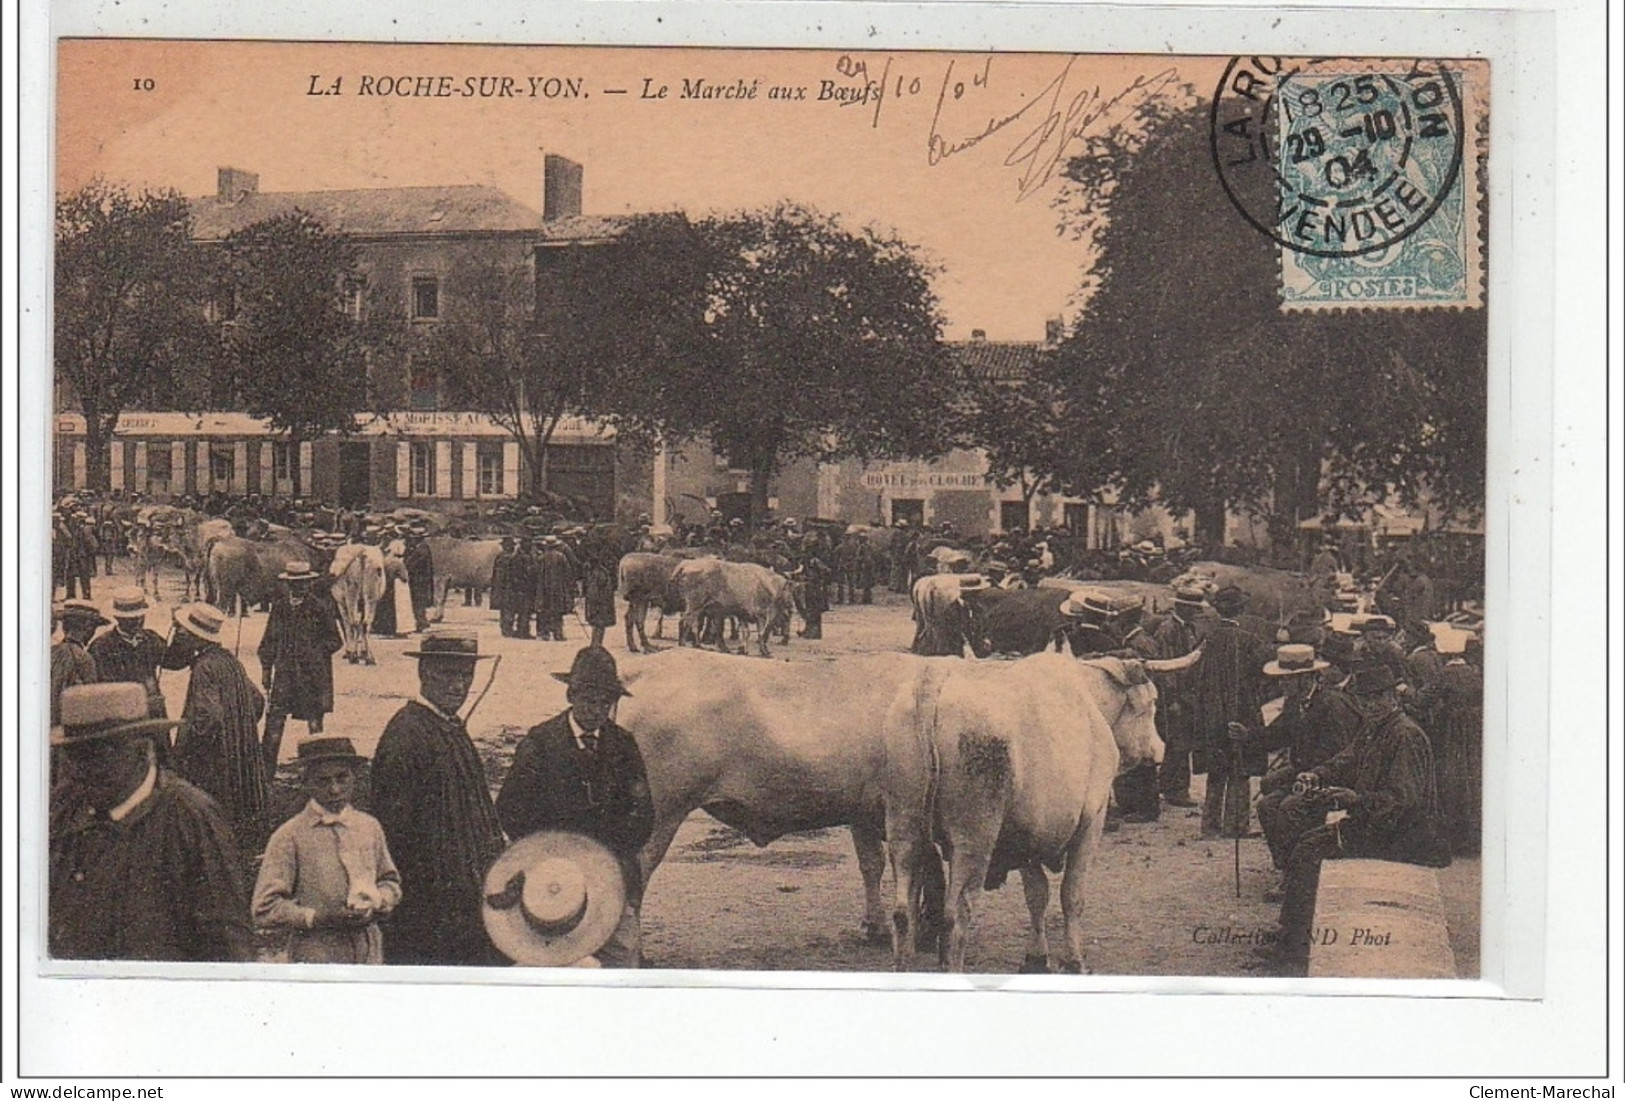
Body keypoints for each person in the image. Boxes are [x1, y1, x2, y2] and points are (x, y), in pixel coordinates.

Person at [1268, 661, 1451, 974]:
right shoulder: (1376, 728)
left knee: (1308, 850)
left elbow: (1401, 803)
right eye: (1365, 700)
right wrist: (1317, 774)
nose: (1369, 706)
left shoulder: (1405, 736)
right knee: (1306, 844)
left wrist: (1353, 799)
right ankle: (1292, 936)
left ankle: (1293, 949)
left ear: (1393, 697)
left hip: (1404, 836)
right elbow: (1345, 760)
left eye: (1376, 698)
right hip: (1380, 825)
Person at [49, 682, 254, 961]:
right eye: (73, 755)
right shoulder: (63, 808)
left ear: (141, 749)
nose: (80, 770)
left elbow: (228, 943)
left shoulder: (191, 817)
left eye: (98, 754)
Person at [495, 646, 654, 968]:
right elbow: (510, 809)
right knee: (556, 959)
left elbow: (642, 815)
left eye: (605, 703)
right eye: (588, 700)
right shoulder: (540, 744)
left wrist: (606, 853)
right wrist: (553, 849)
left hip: (610, 877)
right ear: (571, 696)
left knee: (622, 956)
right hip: (552, 877)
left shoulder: (623, 745)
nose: (596, 711)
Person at [370, 630, 507, 966]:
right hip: (427, 915)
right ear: (423, 673)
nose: (458, 686)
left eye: (465, 676)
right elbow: (393, 836)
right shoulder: (406, 735)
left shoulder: (452, 728)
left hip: (467, 908)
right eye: (447, 674)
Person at [252, 736, 403, 965]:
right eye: (323, 781)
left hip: (368, 950)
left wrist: (378, 902)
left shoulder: (368, 826)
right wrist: (317, 918)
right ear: (306, 783)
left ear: (355, 778)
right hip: (317, 953)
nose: (335, 789)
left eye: (342, 778)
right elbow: (265, 907)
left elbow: (390, 881)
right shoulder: (290, 836)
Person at [1245, 643, 1364, 899]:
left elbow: (1342, 756)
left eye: (1287, 681)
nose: (1282, 686)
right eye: (1282, 681)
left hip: (1334, 778)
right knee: (1266, 806)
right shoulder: (1294, 703)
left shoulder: (1333, 705)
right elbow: (1276, 735)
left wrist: (1312, 775)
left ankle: (1299, 875)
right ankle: (1289, 867)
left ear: (1306, 678)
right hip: (1305, 776)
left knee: (1290, 807)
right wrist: (1246, 737)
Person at [165, 602, 269, 852]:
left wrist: (190, 747)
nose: (179, 636)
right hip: (237, 751)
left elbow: (207, 717)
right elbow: (257, 700)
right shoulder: (230, 660)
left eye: (183, 632)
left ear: (195, 637)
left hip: (214, 756)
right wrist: (239, 727)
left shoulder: (204, 667)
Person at [1191, 585, 1271, 839]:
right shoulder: (1250, 640)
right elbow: (1265, 674)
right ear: (1242, 610)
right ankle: (1236, 826)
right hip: (1243, 711)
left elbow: (1193, 675)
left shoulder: (1206, 639)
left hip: (1211, 714)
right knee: (1240, 770)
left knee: (1216, 770)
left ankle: (1210, 825)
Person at [257, 561, 344, 773]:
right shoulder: (280, 607)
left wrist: (314, 652)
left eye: (305, 583)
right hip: (284, 674)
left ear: (310, 583)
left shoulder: (320, 607)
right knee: (274, 722)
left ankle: (319, 770)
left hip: (313, 675)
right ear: (288, 585)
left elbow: (335, 640)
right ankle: (265, 772)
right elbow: (268, 641)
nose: (301, 587)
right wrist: (266, 670)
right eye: (296, 583)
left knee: (315, 723)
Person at [1153, 584, 1208, 809]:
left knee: (1182, 741)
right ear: (1182, 607)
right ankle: (1175, 789)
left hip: (1187, 693)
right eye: (1192, 608)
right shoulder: (1168, 630)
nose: (1196, 612)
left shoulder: (1188, 628)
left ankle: (1170, 786)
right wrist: (1173, 698)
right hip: (1175, 695)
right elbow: (1167, 667)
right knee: (1177, 741)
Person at [89, 589, 168, 720]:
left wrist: (180, 635)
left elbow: (174, 661)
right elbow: (102, 688)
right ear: (117, 617)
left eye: (141, 616)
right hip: (121, 717)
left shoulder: (151, 639)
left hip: (153, 715)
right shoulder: (102, 646)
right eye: (131, 619)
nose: (137, 622)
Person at [50, 600, 105, 726]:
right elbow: (90, 698)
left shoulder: (51, 652)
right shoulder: (84, 658)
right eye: (94, 627)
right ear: (88, 628)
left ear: (64, 627)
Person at [579, 531, 619, 650]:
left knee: (598, 622)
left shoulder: (596, 565)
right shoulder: (597, 566)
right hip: (598, 597)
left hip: (600, 596)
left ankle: (596, 643)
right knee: (598, 622)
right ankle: (596, 643)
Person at [533, 535, 575, 642]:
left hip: (543, 588)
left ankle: (544, 633)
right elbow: (568, 573)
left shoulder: (541, 558)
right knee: (557, 611)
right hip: (558, 587)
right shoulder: (561, 557)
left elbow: (535, 573)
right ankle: (558, 633)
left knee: (544, 610)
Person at [403, 532, 435, 634]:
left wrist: (405, 564)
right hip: (422, 580)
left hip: (419, 581)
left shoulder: (421, 551)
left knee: (418, 603)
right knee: (420, 602)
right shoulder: (423, 549)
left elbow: (411, 564)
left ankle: (421, 623)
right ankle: (422, 622)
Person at [491, 536, 519, 637]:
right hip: (509, 587)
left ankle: (505, 628)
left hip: (503, 587)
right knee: (509, 609)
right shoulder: (512, 557)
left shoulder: (500, 556)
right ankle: (507, 629)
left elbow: (495, 574)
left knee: (505, 609)